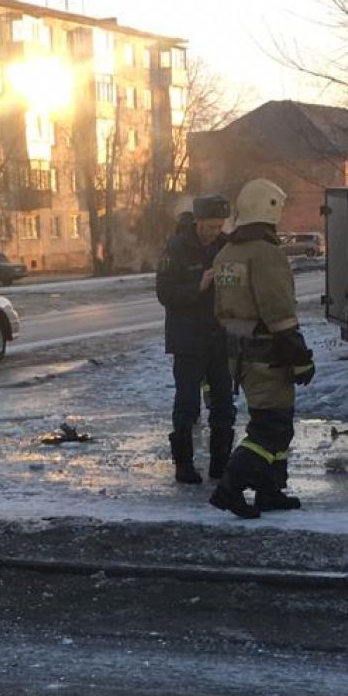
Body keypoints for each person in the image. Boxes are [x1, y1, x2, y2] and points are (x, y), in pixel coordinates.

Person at [210, 177, 315, 519]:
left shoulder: (227, 252)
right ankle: (230, 487)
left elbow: (222, 307)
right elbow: (279, 312)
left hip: (238, 352)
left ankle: (270, 490)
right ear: (270, 209)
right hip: (268, 354)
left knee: (273, 423)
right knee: (271, 428)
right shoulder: (265, 254)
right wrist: (300, 358)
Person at [154, 194, 235, 484]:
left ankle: (221, 463)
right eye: (210, 226)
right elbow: (165, 293)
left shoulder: (226, 246)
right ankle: (184, 465)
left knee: (224, 402)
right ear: (198, 220)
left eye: (219, 226)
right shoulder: (175, 249)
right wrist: (198, 285)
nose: (214, 231)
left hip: (219, 336)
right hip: (187, 339)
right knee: (187, 403)